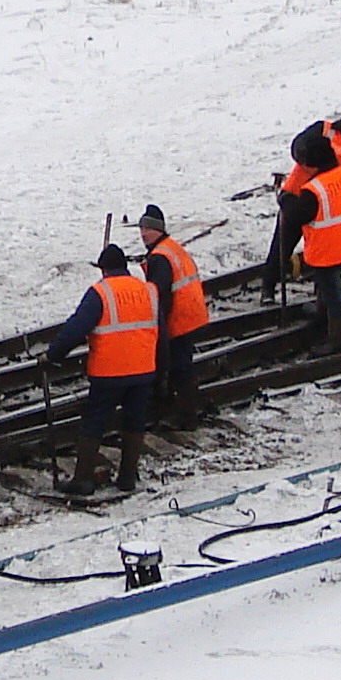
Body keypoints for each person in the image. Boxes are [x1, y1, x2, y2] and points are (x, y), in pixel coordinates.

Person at [44, 244, 162, 496]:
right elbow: (160, 330)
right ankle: (128, 477)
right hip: (143, 371)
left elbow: (77, 328)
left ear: (104, 269)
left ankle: (83, 480)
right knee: (134, 422)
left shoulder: (101, 292)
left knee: (94, 423)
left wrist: (53, 355)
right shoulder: (148, 291)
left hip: (109, 373)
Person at [276, 124, 341, 345]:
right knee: (330, 286)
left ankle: (338, 341)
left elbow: (296, 215)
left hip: (327, 249)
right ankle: (321, 314)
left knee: (334, 294)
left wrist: (284, 198)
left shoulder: (315, 189)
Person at [135, 204, 209, 415]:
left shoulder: (160, 257)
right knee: (182, 366)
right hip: (193, 314)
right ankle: (184, 411)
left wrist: (158, 327)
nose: (143, 234)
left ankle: (185, 416)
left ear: (158, 229)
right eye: (141, 229)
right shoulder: (172, 247)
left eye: (147, 229)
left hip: (180, 319)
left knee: (179, 369)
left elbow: (161, 296)